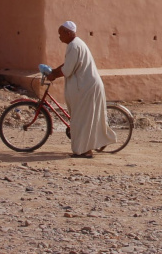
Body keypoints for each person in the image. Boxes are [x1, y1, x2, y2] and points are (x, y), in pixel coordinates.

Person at [46, 21, 117, 158]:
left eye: (61, 34)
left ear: (68, 33)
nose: (59, 37)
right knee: (87, 119)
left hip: (86, 88)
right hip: (87, 87)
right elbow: (69, 64)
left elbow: (67, 69)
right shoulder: (76, 44)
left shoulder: (74, 46)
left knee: (81, 120)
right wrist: (54, 71)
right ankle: (96, 142)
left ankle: (85, 151)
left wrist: (53, 74)